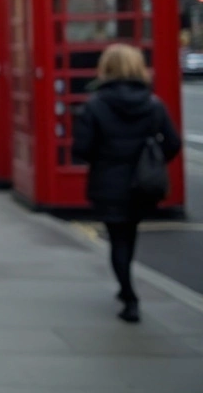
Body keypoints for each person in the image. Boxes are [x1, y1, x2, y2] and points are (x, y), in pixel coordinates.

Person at [73, 44, 181, 323]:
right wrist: (152, 160)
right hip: (143, 183)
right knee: (129, 236)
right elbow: (172, 143)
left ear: (105, 69)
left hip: (108, 182)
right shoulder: (153, 104)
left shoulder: (95, 105)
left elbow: (82, 150)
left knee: (118, 239)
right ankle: (127, 289)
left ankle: (129, 295)